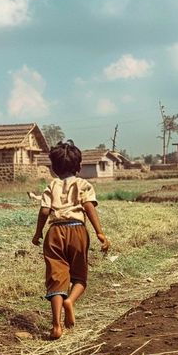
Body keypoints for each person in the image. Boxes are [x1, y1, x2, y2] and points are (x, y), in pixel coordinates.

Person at [32, 140, 110, 339]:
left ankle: (56, 326)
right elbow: (89, 208)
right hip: (77, 231)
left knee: (56, 279)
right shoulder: (83, 184)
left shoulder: (51, 186)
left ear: (53, 169)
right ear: (80, 166)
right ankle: (70, 302)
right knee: (79, 277)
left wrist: (38, 232)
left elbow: (44, 211)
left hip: (55, 232)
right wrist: (100, 233)